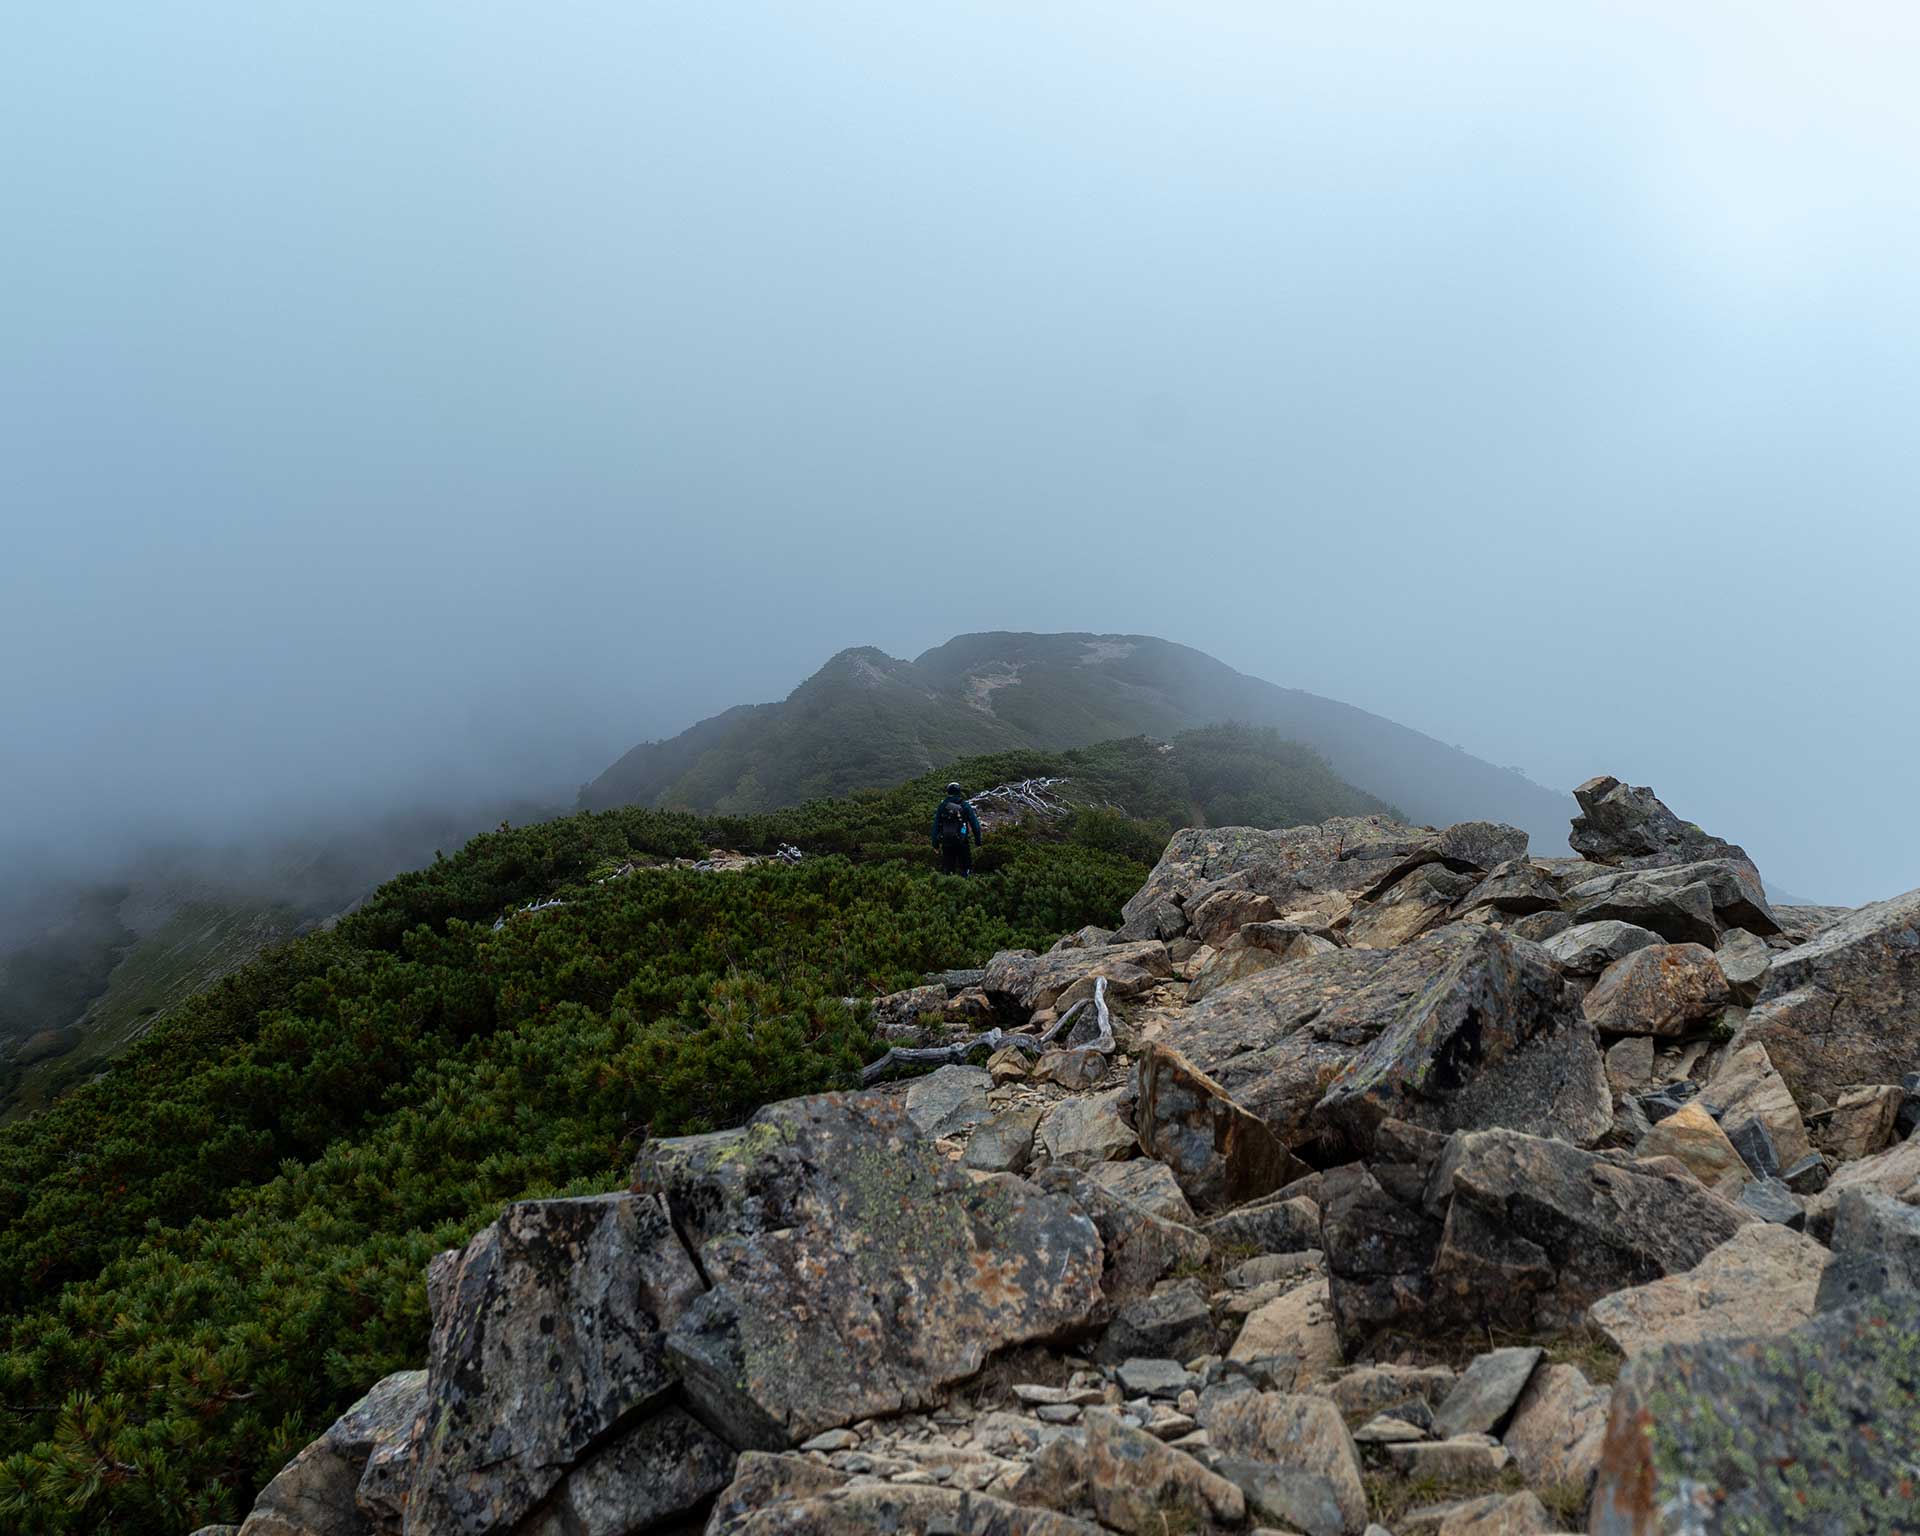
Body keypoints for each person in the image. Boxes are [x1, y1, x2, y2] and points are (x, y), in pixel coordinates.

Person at [931, 781, 983, 876]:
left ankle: (950, 886)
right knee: (965, 867)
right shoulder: (964, 805)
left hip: (946, 842)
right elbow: (975, 824)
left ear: (948, 792)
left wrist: (935, 844)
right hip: (962, 841)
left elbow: (936, 825)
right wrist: (978, 841)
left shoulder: (942, 806)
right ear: (959, 792)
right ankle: (965, 885)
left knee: (949, 869)